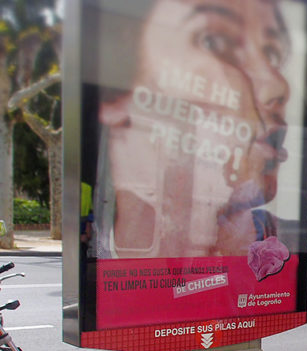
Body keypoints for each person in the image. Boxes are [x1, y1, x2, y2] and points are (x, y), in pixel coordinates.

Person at [94, 0, 293, 258]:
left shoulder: (279, 247)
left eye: (272, 54)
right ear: (116, 105)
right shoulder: (101, 259)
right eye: (214, 42)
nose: (278, 85)